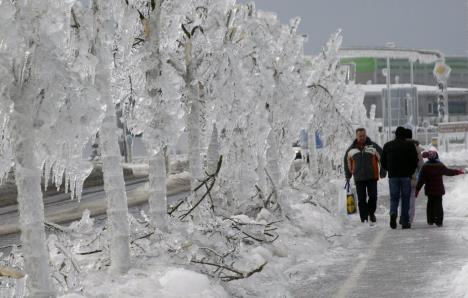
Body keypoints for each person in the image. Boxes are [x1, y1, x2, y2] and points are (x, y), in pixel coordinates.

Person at [344, 128, 386, 224]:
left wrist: (383, 171)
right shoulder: (351, 149)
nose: (362, 137)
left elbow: (382, 158)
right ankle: (364, 218)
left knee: (373, 197)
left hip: (372, 177)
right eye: (360, 136)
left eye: (363, 135)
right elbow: (347, 162)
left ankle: (371, 213)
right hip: (359, 178)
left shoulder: (373, 146)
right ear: (356, 136)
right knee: (361, 199)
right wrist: (348, 174)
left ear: (366, 135)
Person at [381, 126, 418, 229]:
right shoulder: (410, 145)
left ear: (395, 134)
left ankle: (393, 213)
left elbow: (383, 162)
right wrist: (410, 171)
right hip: (406, 176)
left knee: (394, 198)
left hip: (393, 176)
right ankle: (405, 221)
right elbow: (415, 161)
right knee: (405, 198)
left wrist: (389, 169)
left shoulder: (388, 145)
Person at [415, 150, 464, 227]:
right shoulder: (440, 165)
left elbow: (421, 180)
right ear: (436, 156)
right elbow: (449, 172)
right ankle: (439, 221)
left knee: (430, 204)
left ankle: (430, 220)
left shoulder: (425, 167)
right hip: (439, 190)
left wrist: (417, 189)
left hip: (429, 190)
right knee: (438, 205)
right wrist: (458, 172)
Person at [404, 128, 424, 224]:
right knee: (411, 198)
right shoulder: (416, 147)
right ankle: (410, 219)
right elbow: (421, 164)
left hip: (401, 175)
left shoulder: (400, 145)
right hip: (412, 176)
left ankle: (403, 217)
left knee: (402, 198)